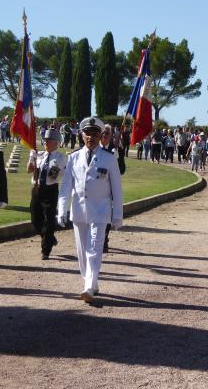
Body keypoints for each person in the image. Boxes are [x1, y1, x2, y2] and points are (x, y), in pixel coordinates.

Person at [57, 117, 123, 303]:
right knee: (82, 252)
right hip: (79, 211)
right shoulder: (73, 158)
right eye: (87, 134)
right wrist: (61, 210)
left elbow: (117, 188)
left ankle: (88, 287)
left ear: (101, 135)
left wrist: (117, 215)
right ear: (81, 134)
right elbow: (66, 187)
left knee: (94, 249)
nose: (91, 138)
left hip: (101, 211)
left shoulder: (109, 158)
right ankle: (91, 282)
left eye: (95, 134)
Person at [27, 129, 67, 260]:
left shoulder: (60, 158)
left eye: (49, 141)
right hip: (36, 189)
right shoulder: (40, 155)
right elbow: (29, 170)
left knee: (49, 220)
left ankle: (46, 250)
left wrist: (39, 164)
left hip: (50, 190)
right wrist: (31, 159)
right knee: (35, 219)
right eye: (45, 140)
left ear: (56, 143)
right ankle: (49, 237)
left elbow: (52, 176)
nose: (45, 142)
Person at [100, 124, 126, 253]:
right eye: (103, 133)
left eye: (107, 134)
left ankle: (104, 239)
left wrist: (117, 159)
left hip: (109, 189)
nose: (104, 136)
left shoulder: (116, 149)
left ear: (111, 136)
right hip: (95, 189)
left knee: (106, 215)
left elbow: (122, 170)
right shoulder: (93, 148)